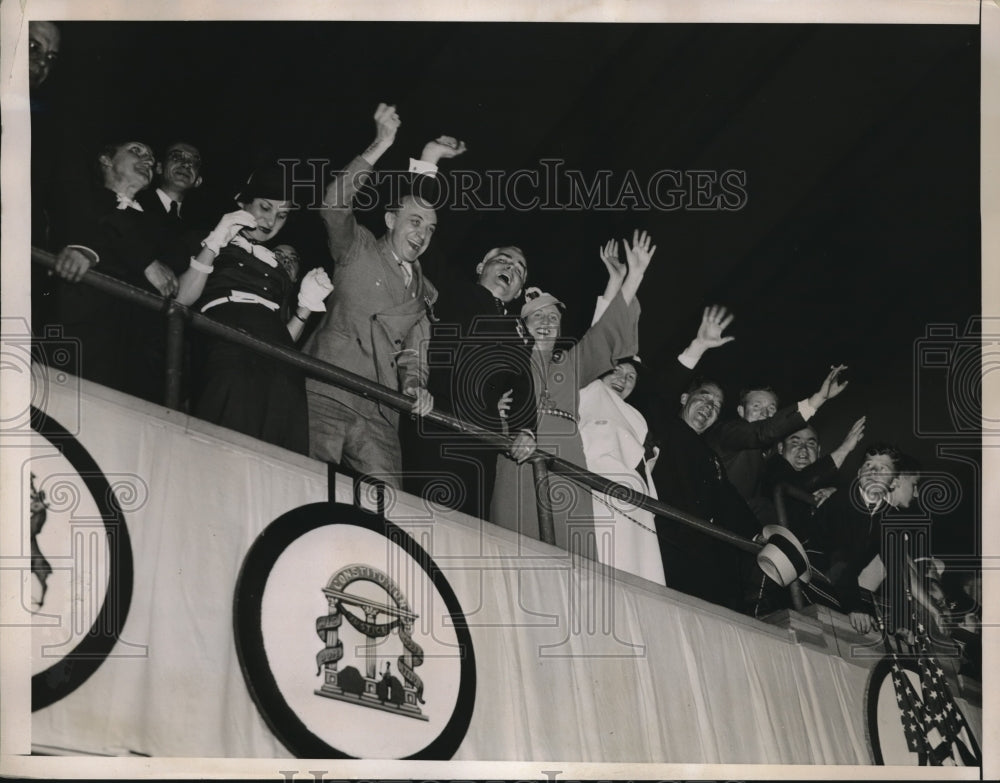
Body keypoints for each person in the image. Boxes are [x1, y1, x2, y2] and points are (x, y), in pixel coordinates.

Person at [302, 103, 466, 488]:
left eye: (430, 228)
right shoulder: (357, 248)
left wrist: (414, 386)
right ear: (390, 221)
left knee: (388, 509)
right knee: (307, 488)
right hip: (327, 388)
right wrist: (380, 143)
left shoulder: (424, 290)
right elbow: (333, 205)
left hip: (379, 409)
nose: (422, 234)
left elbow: (415, 351)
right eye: (414, 222)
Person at [491, 230, 655, 555]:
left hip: (567, 458)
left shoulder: (571, 363)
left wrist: (634, 275)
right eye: (537, 315)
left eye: (553, 317)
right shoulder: (506, 358)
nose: (546, 321)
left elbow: (605, 334)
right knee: (513, 544)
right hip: (519, 454)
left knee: (572, 554)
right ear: (523, 324)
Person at [175, 163, 333, 452]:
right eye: (264, 207)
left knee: (280, 443)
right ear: (241, 202)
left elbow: (283, 335)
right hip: (228, 343)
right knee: (226, 435)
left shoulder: (278, 267)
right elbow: (182, 297)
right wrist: (215, 241)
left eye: (282, 214)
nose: (271, 221)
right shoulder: (206, 241)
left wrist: (305, 307)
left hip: (279, 358)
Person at [404, 245, 532, 518]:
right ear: (480, 267)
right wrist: (417, 385)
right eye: (503, 260)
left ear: (519, 292)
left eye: (519, 270)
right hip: (435, 419)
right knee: (422, 515)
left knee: (469, 527)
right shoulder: (449, 292)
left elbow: (523, 385)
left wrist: (526, 430)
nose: (511, 268)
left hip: (481, 441)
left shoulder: (519, 333)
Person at [48, 140, 180, 401]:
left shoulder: (158, 225)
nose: (149, 161)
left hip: (139, 360)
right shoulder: (81, 201)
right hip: (83, 344)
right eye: (137, 151)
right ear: (106, 160)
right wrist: (146, 262)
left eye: (152, 158)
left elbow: (170, 279)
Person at [704, 367, 851, 510]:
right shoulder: (728, 432)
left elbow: (795, 484)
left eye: (771, 409)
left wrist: (833, 491)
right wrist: (817, 399)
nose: (765, 413)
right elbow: (762, 431)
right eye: (756, 406)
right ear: (741, 411)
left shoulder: (770, 458)